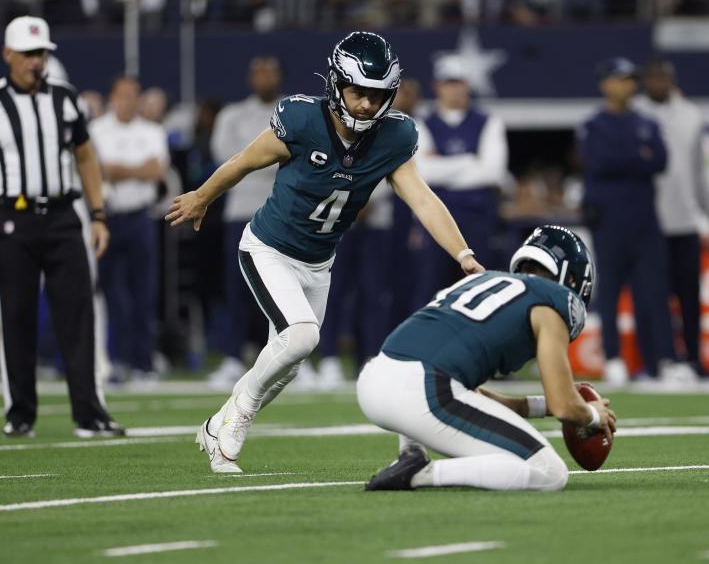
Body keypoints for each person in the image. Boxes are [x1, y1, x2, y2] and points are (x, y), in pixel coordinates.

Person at [167, 31, 484, 473]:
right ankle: (232, 422)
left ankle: (217, 422)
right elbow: (242, 161)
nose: (367, 106)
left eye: (377, 96)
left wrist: (463, 254)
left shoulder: (394, 137)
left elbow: (424, 200)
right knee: (301, 337)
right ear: (336, 85)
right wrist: (202, 195)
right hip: (269, 248)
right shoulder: (301, 120)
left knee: (291, 362)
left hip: (319, 262)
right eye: (358, 93)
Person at [0, 16, 124, 438]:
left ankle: (90, 412)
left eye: (42, 53)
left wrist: (98, 215)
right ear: (7, 54)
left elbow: (86, 157)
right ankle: (20, 412)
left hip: (64, 216)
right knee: (16, 314)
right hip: (12, 218)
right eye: (28, 54)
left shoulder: (66, 99)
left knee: (78, 314)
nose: (36, 62)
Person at [359, 225, 615, 492]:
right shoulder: (552, 302)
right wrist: (591, 416)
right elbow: (565, 407)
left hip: (376, 380)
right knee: (549, 473)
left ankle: (411, 453)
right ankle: (421, 474)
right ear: (573, 281)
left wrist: (544, 407)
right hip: (422, 390)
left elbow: (470, 396)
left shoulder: (484, 281)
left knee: (453, 394)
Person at [577, 57, 673, 384]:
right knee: (611, 293)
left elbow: (660, 160)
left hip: (645, 220)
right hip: (609, 221)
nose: (626, 85)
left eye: (630, 79)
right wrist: (637, 158)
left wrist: (629, 160)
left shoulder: (647, 122)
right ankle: (614, 358)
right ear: (605, 84)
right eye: (619, 79)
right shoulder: (594, 125)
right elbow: (599, 162)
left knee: (655, 293)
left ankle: (663, 360)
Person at [634, 57, 709, 381]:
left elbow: (701, 171)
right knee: (650, 298)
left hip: (685, 220)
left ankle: (694, 360)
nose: (659, 81)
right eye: (653, 76)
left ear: (672, 80)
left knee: (689, 298)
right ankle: (654, 362)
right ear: (645, 80)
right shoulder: (635, 115)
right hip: (649, 223)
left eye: (664, 76)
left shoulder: (691, 114)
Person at [207, 56, 282, 389]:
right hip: (240, 212)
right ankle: (233, 357)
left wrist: (247, 159)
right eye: (259, 73)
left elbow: (301, 158)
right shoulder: (233, 114)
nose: (264, 79)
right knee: (237, 289)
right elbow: (223, 156)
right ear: (251, 78)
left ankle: (285, 358)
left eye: (270, 73)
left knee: (283, 288)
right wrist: (271, 156)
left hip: (281, 213)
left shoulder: (292, 111)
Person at [411, 54, 509, 310]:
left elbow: (492, 172)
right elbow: (423, 173)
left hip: (478, 218)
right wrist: (469, 161)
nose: (453, 88)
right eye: (448, 82)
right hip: (436, 220)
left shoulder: (488, 121)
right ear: (437, 86)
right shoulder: (422, 123)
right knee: (433, 290)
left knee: (481, 291)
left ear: (467, 84)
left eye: (458, 82)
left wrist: (442, 164)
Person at [89, 75, 169, 384]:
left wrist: (116, 169)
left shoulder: (151, 131)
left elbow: (155, 171)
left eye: (133, 95)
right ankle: (119, 359)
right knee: (113, 292)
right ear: (112, 97)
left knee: (144, 292)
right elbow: (96, 170)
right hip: (107, 218)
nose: (128, 101)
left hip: (140, 218)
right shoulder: (97, 130)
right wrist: (135, 169)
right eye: (122, 95)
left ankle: (143, 362)